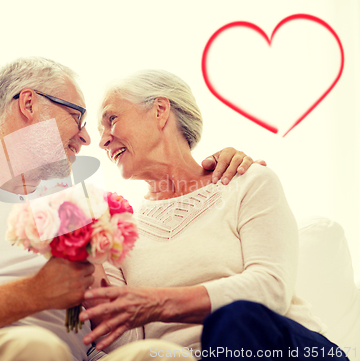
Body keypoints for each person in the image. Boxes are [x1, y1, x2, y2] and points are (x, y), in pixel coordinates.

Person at [0, 57, 256, 361]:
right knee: (33, 347)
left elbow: (105, 335)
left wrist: (224, 169)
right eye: (77, 116)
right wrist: (35, 293)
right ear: (29, 103)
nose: (87, 138)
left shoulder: (77, 206)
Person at [80, 69, 348, 361]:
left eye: (112, 119)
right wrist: (89, 252)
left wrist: (158, 303)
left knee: (233, 318)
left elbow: (272, 287)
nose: (103, 141)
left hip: (287, 351)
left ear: (159, 111)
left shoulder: (248, 181)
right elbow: (125, 346)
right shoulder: (118, 230)